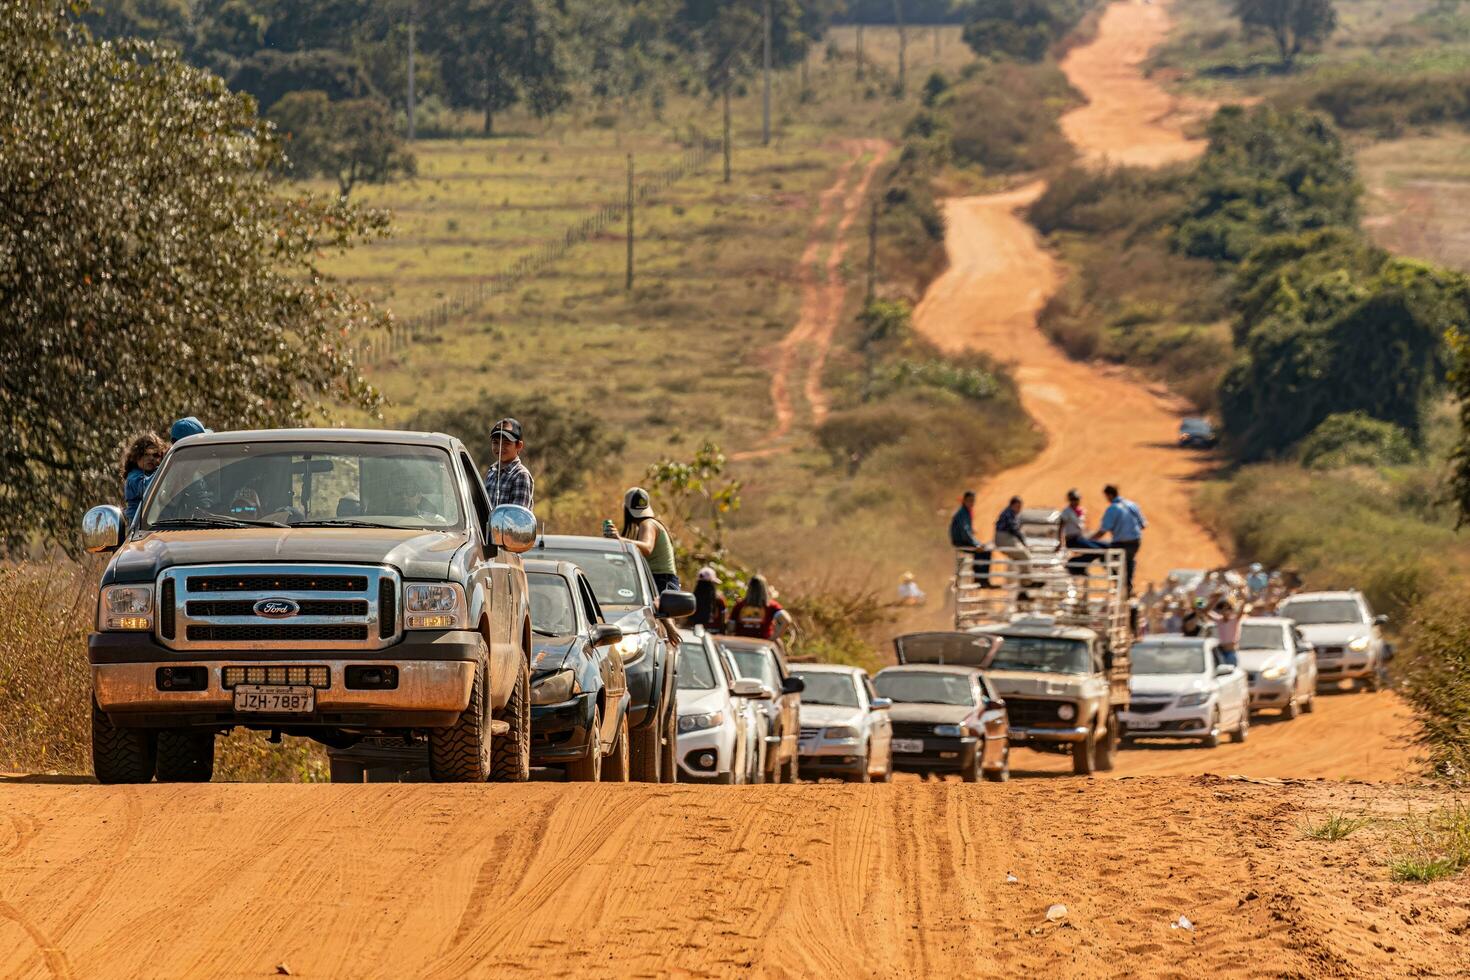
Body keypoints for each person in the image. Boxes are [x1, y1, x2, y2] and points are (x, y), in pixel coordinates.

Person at [606, 487, 680, 593]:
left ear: (627, 510)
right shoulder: (649, 523)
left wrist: (619, 539)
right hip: (660, 581)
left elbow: (647, 548)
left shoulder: (647, 524)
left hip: (661, 582)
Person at [1091, 484, 1146, 595]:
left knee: (1105, 557)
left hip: (1121, 542)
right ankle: (1128, 586)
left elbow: (1103, 530)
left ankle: (1119, 582)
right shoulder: (1132, 505)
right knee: (1129, 561)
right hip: (1135, 541)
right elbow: (1143, 525)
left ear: (1109, 495)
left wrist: (1089, 540)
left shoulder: (1113, 508)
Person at [483, 417, 534, 512]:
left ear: (519, 446)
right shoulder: (492, 472)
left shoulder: (521, 475)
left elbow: (517, 517)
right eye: (495, 442)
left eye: (506, 443)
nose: (499, 448)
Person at [729, 574, 794, 640]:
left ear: (749, 588)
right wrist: (773, 638)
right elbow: (786, 620)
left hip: (740, 644)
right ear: (764, 589)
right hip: (762, 646)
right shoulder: (770, 606)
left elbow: (731, 629)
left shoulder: (739, 606)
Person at [119, 432, 166, 524]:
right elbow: (148, 488)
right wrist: (163, 470)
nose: (151, 458)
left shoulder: (153, 473)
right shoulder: (133, 477)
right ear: (136, 456)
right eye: (146, 454)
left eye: (155, 455)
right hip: (138, 528)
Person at [949, 490, 992, 589]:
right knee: (984, 551)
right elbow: (965, 532)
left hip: (963, 540)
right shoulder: (962, 513)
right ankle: (981, 579)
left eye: (973, 500)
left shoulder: (966, 512)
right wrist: (977, 545)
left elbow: (967, 531)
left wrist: (977, 543)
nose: (971, 503)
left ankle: (981, 579)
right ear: (964, 501)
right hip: (961, 542)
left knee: (984, 550)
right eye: (969, 500)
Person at [1061, 488, 1104, 575]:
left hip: (1081, 538)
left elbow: (1083, 526)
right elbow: (1061, 527)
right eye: (1073, 499)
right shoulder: (1066, 512)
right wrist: (1061, 542)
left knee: (1099, 549)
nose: (1075, 501)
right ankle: (1073, 564)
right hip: (1072, 539)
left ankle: (1079, 567)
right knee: (1096, 550)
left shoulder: (1081, 511)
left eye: (1076, 499)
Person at [1210, 596, 1245, 666]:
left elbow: (1241, 611)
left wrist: (1243, 598)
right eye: (1223, 608)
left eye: (1228, 609)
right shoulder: (1219, 620)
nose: (1225, 611)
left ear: (1231, 610)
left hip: (1231, 652)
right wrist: (1215, 599)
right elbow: (1206, 611)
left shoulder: (1234, 620)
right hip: (1221, 652)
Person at [691, 566, 727, 632]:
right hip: (714, 635)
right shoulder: (719, 600)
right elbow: (723, 620)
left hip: (695, 632)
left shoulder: (691, 599)